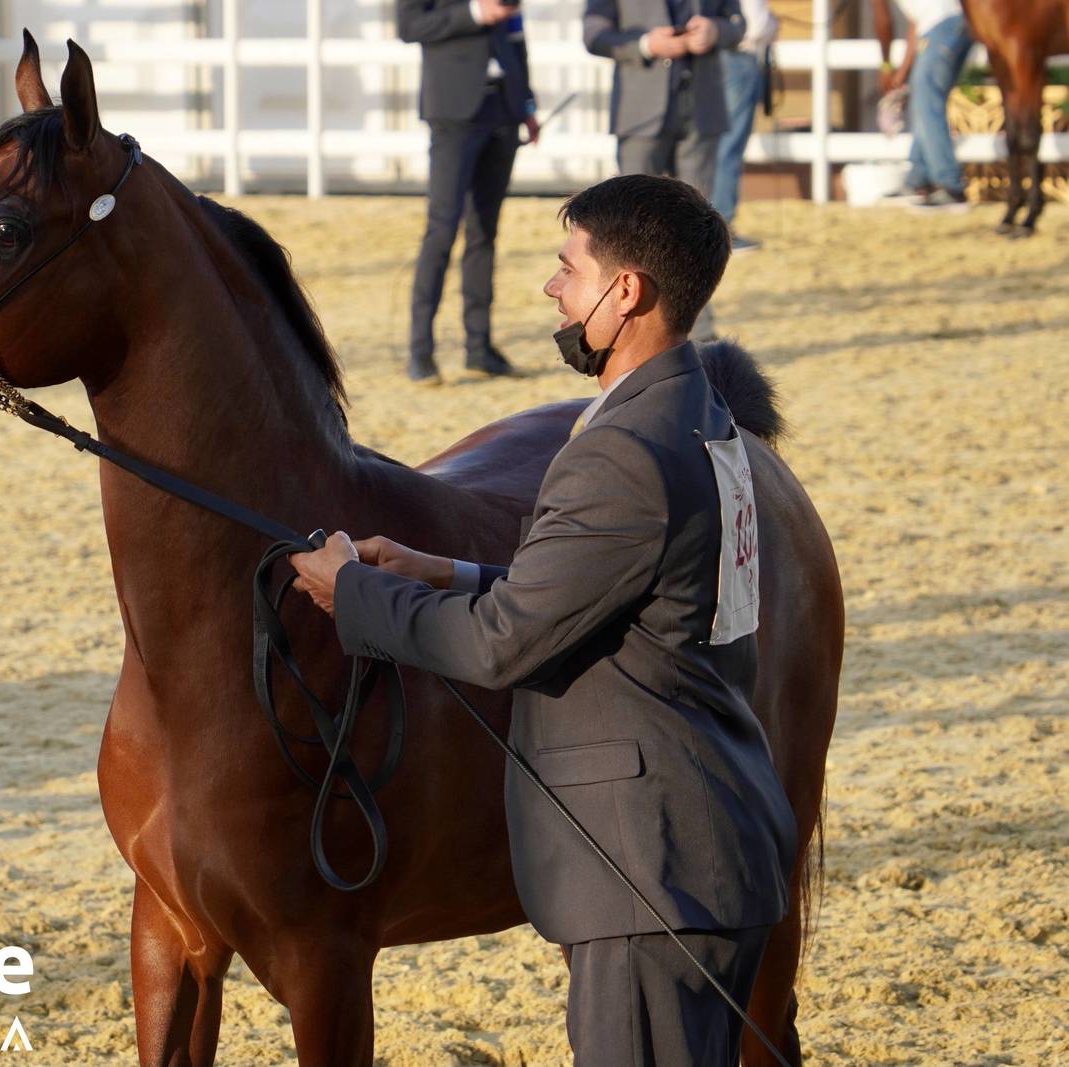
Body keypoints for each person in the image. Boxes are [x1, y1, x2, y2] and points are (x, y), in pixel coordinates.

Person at [288, 174, 796, 1067]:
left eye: (568, 267)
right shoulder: (697, 415)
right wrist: (445, 569)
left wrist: (356, 595)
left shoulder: (622, 451)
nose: (552, 288)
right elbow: (628, 593)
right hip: (710, 850)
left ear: (625, 290)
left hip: (651, 874)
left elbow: (502, 644)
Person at [399, 0, 540, 384]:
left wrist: (526, 102)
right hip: (454, 110)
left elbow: (516, 33)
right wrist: (476, 13)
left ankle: (479, 348)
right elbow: (410, 25)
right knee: (442, 229)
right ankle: (421, 351)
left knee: (484, 233)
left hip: (504, 109)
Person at [583, 0, 745, 200]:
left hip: (702, 107)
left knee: (697, 215)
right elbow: (594, 34)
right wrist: (646, 45)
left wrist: (715, 31)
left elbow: (737, 24)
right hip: (640, 110)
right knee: (635, 209)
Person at [872, 0, 974, 210]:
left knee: (927, 104)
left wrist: (885, 65)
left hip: (941, 26)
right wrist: (903, 73)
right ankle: (919, 181)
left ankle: (950, 185)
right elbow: (915, 25)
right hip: (952, 24)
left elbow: (883, 21)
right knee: (923, 100)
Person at [711, 0, 778, 251]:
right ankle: (723, 225)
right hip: (740, 57)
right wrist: (771, 25)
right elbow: (755, 24)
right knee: (730, 144)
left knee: (725, 143)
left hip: (737, 57)